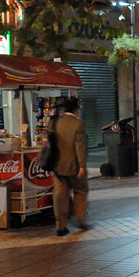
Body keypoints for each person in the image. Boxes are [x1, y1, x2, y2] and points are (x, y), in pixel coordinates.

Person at [52, 97, 89, 236]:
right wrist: (82, 166)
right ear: (76, 110)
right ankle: (80, 219)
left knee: (60, 195)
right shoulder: (78, 124)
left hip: (58, 167)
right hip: (74, 166)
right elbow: (80, 146)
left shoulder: (56, 123)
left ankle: (60, 226)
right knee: (80, 191)